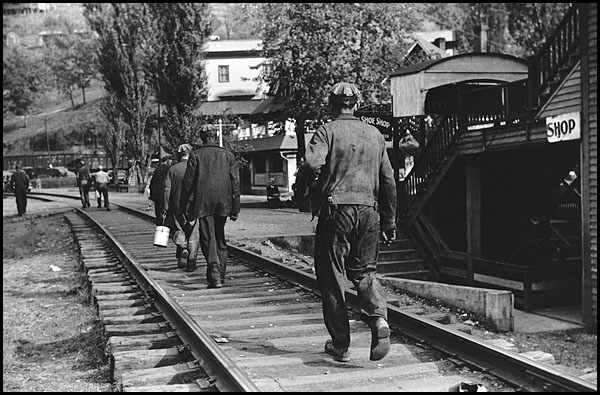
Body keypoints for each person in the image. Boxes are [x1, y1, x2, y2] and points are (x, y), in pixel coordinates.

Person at [298, 82, 397, 363]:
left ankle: (340, 344)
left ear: (331, 104)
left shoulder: (327, 131)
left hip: (336, 211)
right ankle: (379, 318)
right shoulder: (375, 134)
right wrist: (389, 221)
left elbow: (309, 165)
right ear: (357, 104)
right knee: (365, 272)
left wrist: (306, 190)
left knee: (332, 277)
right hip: (369, 210)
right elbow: (389, 180)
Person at [179, 128, 240, 288]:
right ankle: (221, 273)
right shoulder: (228, 155)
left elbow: (188, 183)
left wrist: (183, 206)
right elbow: (235, 183)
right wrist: (236, 207)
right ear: (216, 136)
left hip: (203, 202)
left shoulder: (196, 155)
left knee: (208, 238)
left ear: (202, 138)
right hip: (223, 202)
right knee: (220, 236)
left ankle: (214, 274)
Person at [162, 144, 193, 268]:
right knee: (191, 230)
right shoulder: (195, 168)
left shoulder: (173, 169)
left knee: (178, 229)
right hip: (192, 204)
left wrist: (165, 207)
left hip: (176, 204)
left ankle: (182, 247)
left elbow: (167, 189)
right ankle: (190, 259)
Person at [150, 156, 172, 225]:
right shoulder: (169, 169)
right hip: (166, 194)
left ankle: (159, 228)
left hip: (157, 195)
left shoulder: (157, 169)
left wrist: (152, 195)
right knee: (167, 213)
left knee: (158, 213)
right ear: (168, 161)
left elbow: (153, 183)